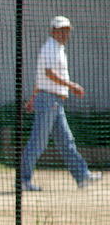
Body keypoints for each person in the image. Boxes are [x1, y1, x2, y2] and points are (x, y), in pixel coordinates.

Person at [22, 16, 102, 191]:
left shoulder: (57, 48)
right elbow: (48, 73)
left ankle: (82, 176)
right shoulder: (50, 48)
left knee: (66, 141)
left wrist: (33, 98)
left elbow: (41, 77)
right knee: (38, 142)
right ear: (53, 31)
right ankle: (23, 180)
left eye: (67, 30)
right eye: (61, 30)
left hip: (54, 101)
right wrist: (72, 86)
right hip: (49, 100)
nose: (65, 33)